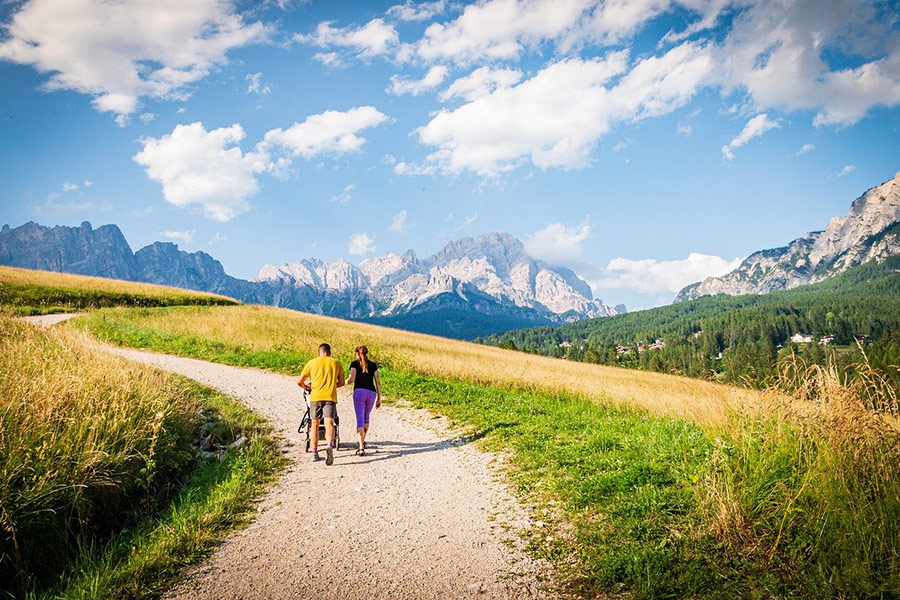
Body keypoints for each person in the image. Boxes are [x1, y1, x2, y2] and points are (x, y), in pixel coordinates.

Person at [298, 343, 345, 465]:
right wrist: (331, 386)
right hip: (330, 396)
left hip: (315, 397)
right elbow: (342, 382)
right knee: (329, 422)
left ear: (319, 352)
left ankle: (314, 452)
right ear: (329, 352)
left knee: (314, 423)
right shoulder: (336, 363)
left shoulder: (311, 363)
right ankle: (329, 444)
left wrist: (308, 387)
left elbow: (299, 381)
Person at [346, 345, 381, 456]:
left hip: (359, 392)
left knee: (360, 420)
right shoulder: (373, 365)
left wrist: (344, 382)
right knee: (366, 418)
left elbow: (351, 379)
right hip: (371, 392)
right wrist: (379, 398)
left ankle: (361, 448)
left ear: (356, 354)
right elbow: (377, 382)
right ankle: (362, 440)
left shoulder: (354, 364)